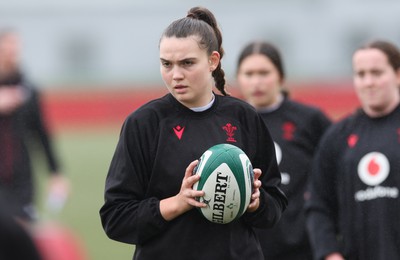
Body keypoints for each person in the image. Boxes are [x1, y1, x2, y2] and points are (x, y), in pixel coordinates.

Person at [100, 6, 287, 260]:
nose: (176, 75)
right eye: (166, 64)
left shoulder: (244, 117)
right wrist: (177, 203)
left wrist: (255, 201)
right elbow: (115, 218)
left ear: (213, 61)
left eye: (187, 63)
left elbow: (275, 203)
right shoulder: (143, 123)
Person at [305, 39, 400, 260]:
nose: (368, 82)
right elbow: (318, 205)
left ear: (397, 75)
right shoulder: (337, 136)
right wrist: (329, 253)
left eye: (376, 73)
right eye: (361, 74)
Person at [236, 41, 332, 260]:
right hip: (250, 247)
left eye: (264, 73)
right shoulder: (230, 122)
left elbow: (338, 163)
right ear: (238, 78)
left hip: (303, 246)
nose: (256, 82)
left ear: (280, 76)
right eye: (249, 74)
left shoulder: (309, 119)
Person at [0, 28, 69, 222]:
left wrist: (55, 172)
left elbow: (41, 133)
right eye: (6, 49)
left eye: (15, 49)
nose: (12, 54)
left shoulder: (28, 90)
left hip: (20, 176)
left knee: (22, 233)